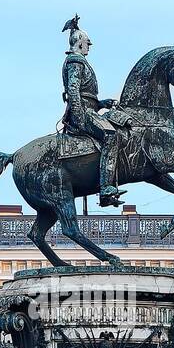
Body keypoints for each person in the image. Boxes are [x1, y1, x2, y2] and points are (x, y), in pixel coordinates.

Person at [60, 14, 127, 206]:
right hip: (82, 113)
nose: (90, 44)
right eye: (87, 42)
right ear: (79, 43)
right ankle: (106, 189)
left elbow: (84, 95)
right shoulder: (75, 62)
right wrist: (80, 117)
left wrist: (101, 103)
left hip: (89, 109)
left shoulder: (79, 61)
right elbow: (73, 91)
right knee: (111, 136)